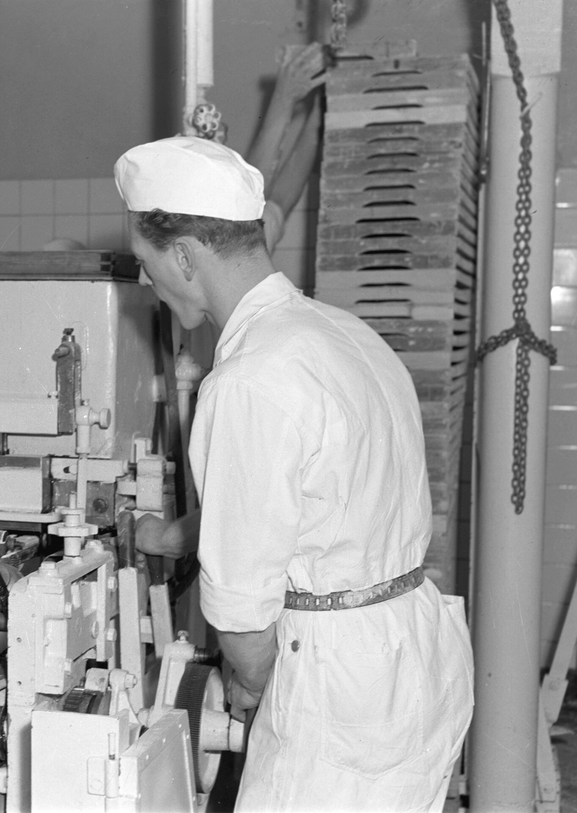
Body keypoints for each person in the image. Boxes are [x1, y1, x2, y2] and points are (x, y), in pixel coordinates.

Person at [115, 136, 473, 811]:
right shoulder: (346, 335)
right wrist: (165, 535)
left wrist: (251, 685)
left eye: (145, 260)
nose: (144, 279)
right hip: (414, 648)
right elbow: (308, 503)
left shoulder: (248, 381)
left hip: (340, 691)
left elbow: (243, 619)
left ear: (184, 256)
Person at [246, 43, 327, 253]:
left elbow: (280, 202)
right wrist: (284, 98)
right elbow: (248, 205)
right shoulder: (227, 239)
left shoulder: (259, 236)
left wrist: (320, 111)